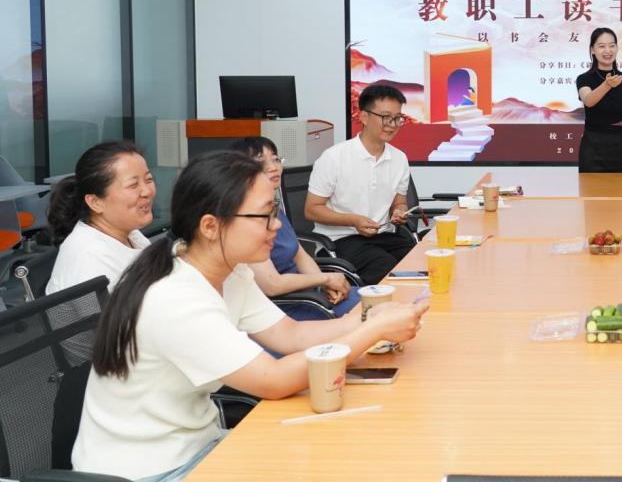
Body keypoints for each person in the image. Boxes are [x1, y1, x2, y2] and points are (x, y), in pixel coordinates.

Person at [74, 151, 428, 481]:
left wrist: (365, 318)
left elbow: (289, 334)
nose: (276, 226)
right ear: (210, 226)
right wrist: (372, 330)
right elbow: (273, 380)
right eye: (263, 216)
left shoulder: (228, 270)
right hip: (153, 470)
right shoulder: (176, 297)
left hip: (199, 445)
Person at [229, 136, 360, 320]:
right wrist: (325, 278)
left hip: (309, 295)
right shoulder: (242, 219)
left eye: (276, 159)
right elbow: (272, 285)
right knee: (371, 315)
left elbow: (299, 254)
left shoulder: (273, 207)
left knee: (379, 303)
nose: (273, 167)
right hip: (281, 307)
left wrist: (325, 287)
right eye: (260, 161)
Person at [305, 83, 415, 284]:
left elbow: (399, 202)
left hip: (384, 235)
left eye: (398, 118)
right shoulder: (334, 157)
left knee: (420, 261)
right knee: (386, 268)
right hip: (340, 240)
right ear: (364, 117)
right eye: (385, 117)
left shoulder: (399, 158)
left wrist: (399, 212)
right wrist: (354, 220)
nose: (392, 124)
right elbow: (312, 210)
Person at [46, 140, 155, 295]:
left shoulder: (129, 234)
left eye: (148, 180)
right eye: (133, 185)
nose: (147, 191)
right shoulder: (89, 259)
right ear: (95, 202)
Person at [575, 27, 622, 173]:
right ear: (592, 50)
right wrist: (607, 85)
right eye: (602, 46)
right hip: (593, 148)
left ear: (617, 48)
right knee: (591, 188)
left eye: (612, 45)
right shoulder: (584, 79)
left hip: (621, 148)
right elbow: (588, 101)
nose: (608, 50)